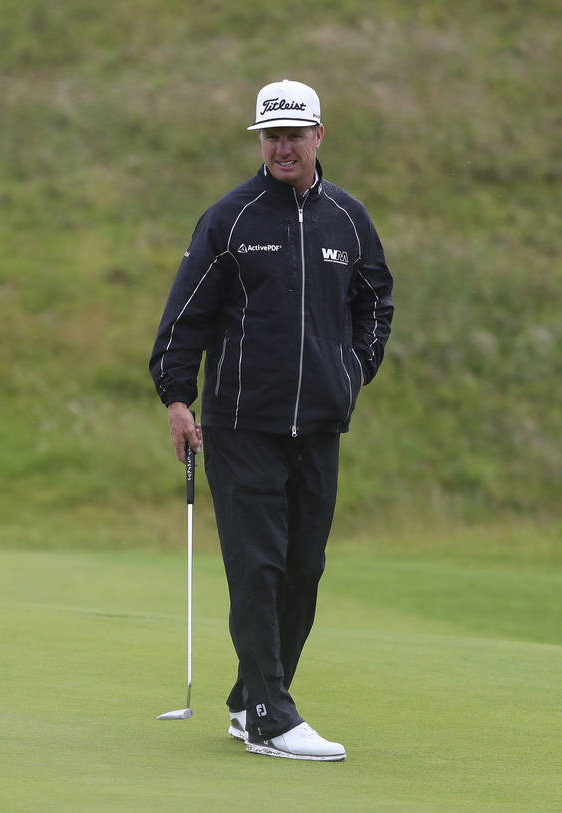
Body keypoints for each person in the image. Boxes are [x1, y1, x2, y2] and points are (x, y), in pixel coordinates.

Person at [149, 79, 394, 761]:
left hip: (318, 424)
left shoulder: (349, 218)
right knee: (256, 566)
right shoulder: (229, 220)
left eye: (294, 133)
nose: (283, 146)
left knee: (302, 569)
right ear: (261, 140)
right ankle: (270, 715)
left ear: (319, 135)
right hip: (239, 424)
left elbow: (377, 299)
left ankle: (249, 697)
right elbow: (186, 315)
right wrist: (177, 397)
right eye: (271, 135)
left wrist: (352, 371)